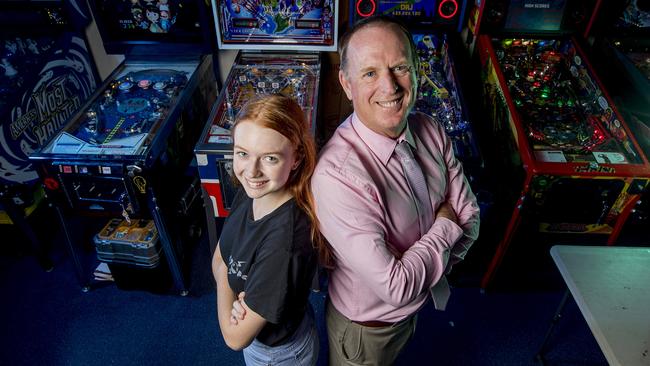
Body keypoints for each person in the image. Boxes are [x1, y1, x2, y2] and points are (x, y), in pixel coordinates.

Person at [311, 16, 480, 366]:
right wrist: (445, 226)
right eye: (370, 73)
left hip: (412, 311)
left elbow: (472, 219)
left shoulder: (430, 130)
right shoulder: (337, 176)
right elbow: (396, 287)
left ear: (417, 71)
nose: (390, 87)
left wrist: (426, 261)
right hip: (367, 330)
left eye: (400, 67)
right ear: (346, 83)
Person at [211, 94, 321, 365]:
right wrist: (232, 291)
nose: (252, 171)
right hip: (272, 334)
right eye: (242, 154)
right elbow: (217, 260)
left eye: (270, 158)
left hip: (279, 355)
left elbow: (235, 338)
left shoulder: (284, 244)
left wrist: (228, 287)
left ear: (296, 158)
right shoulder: (250, 192)